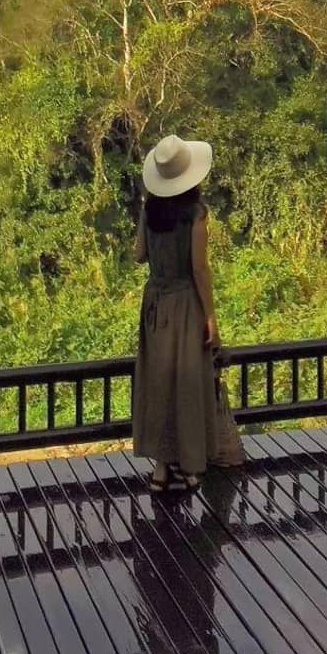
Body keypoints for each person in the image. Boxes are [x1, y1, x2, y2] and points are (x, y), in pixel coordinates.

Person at [131, 132, 230, 491]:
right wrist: (211, 318)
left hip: (155, 305)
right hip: (186, 304)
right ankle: (190, 465)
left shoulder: (149, 211)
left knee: (158, 384)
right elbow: (200, 269)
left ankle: (161, 468)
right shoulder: (196, 215)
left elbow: (139, 255)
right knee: (188, 383)